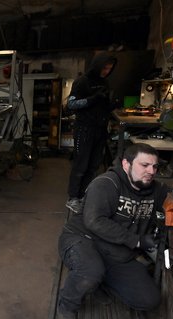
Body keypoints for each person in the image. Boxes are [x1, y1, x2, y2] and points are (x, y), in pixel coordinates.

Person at [56, 143, 173, 319]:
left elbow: (171, 193)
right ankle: (66, 306)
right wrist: (137, 240)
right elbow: (94, 221)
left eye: (155, 167)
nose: (151, 171)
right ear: (126, 164)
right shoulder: (106, 184)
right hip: (83, 240)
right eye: (144, 165)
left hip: (116, 253)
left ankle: (100, 281)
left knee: (149, 299)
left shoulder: (153, 188)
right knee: (90, 271)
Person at [65, 54, 118, 214]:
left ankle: (84, 196)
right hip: (84, 129)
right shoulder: (82, 82)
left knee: (93, 166)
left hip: (99, 129)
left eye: (109, 69)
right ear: (97, 65)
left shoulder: (104, 82)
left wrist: (111, 105)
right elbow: (71, 104)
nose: (106, 72)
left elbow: (102, 106)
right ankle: (73, 198)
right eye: (104, 68)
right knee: (81, 165)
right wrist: (91, 99)